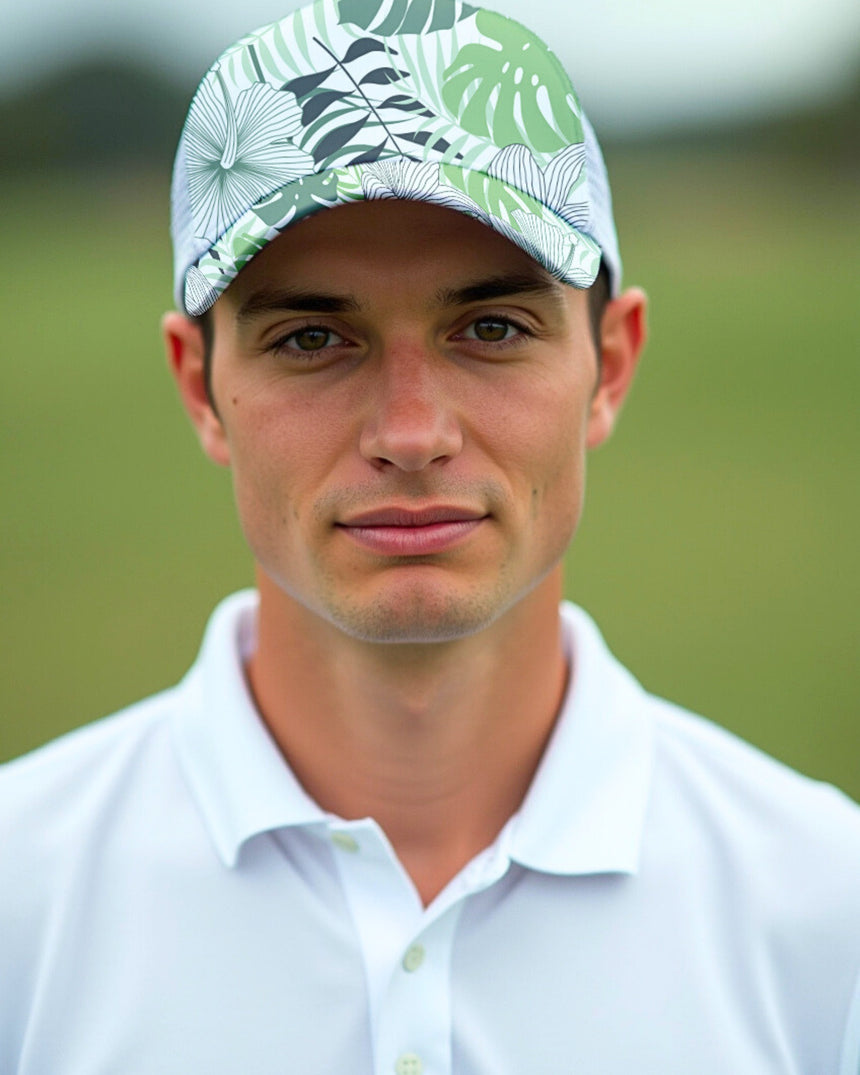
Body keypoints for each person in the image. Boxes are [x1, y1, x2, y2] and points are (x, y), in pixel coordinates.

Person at [2, 1, 859, 1071]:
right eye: (312, 337)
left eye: (490, 328)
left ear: (612, 364)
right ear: (200, 388)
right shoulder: (20, 903)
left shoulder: (825, 908)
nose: (410, 433)